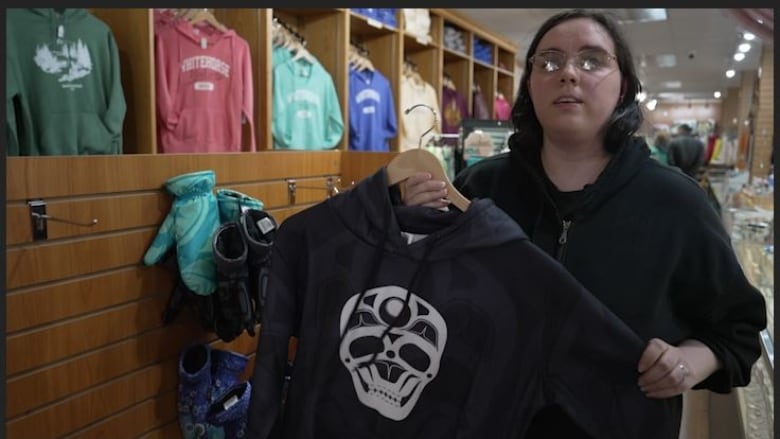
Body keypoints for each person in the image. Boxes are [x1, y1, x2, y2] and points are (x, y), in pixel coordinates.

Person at [401, 9, 766, 439]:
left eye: (592, 60)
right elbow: (426, 303)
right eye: (549, 61)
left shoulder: (677, 203)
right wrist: (411, 231)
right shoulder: (479, 187)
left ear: (624, 86)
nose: (568, 73)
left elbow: (737, 331)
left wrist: (688, 361)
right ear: (530, 84)